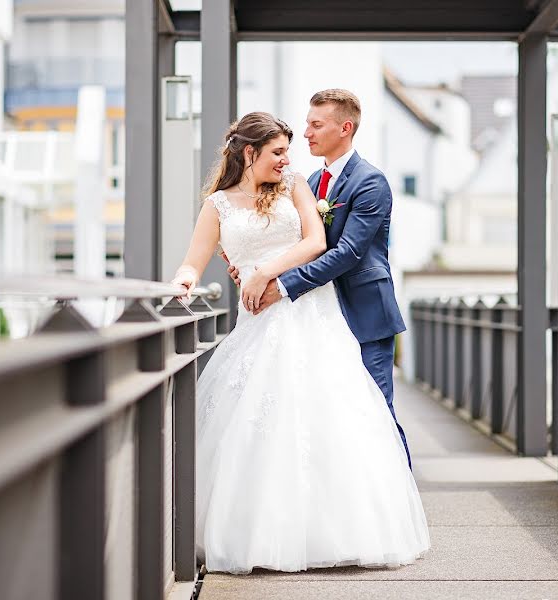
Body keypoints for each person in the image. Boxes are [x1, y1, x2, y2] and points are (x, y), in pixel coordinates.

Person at [171, 110, 429, 575]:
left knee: (335, 413)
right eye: (277, 152)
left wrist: (267, 271)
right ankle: (263, 532)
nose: (287, 159)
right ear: (249, 153)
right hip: (258, 320)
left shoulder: (295, 185)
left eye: (288, 151)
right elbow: (193, 260)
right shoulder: (218, 206)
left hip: (310, 311)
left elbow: (316, 242)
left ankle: (346, 529)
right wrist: (182, 284)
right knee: (259, 419)